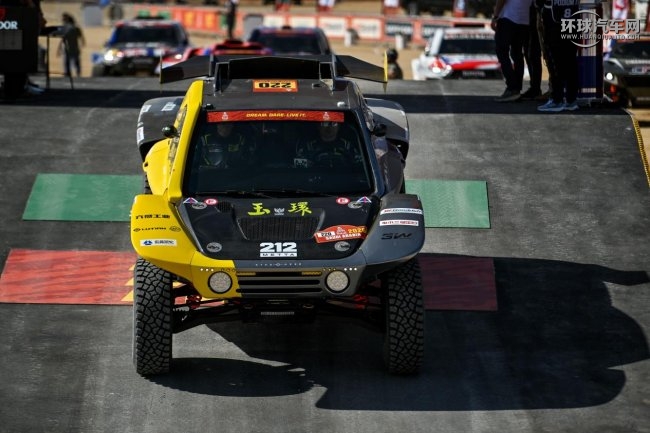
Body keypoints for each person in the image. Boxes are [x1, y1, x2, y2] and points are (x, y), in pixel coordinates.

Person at [537, 0, 580, 112]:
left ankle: (557, 100)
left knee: (556, 64)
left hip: (556, 25)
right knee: (571, 64)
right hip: (573, 24)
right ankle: (571, 100)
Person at [491, 0, 531, 102]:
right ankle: (516, 88)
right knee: (517, 53)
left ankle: (512, 87)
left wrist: (495, 16)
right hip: (524, 20)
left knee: (502, 51)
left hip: (508, 18)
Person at [58, 13, 85, 78]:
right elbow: (82, 38)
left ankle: (68, 75)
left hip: (68, 48)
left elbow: (63, 40)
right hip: (74, 48)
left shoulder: (66, 28)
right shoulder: (75, 28)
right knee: (76, 63)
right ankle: (78, 74)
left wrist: (59, 49)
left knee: (68, 63)